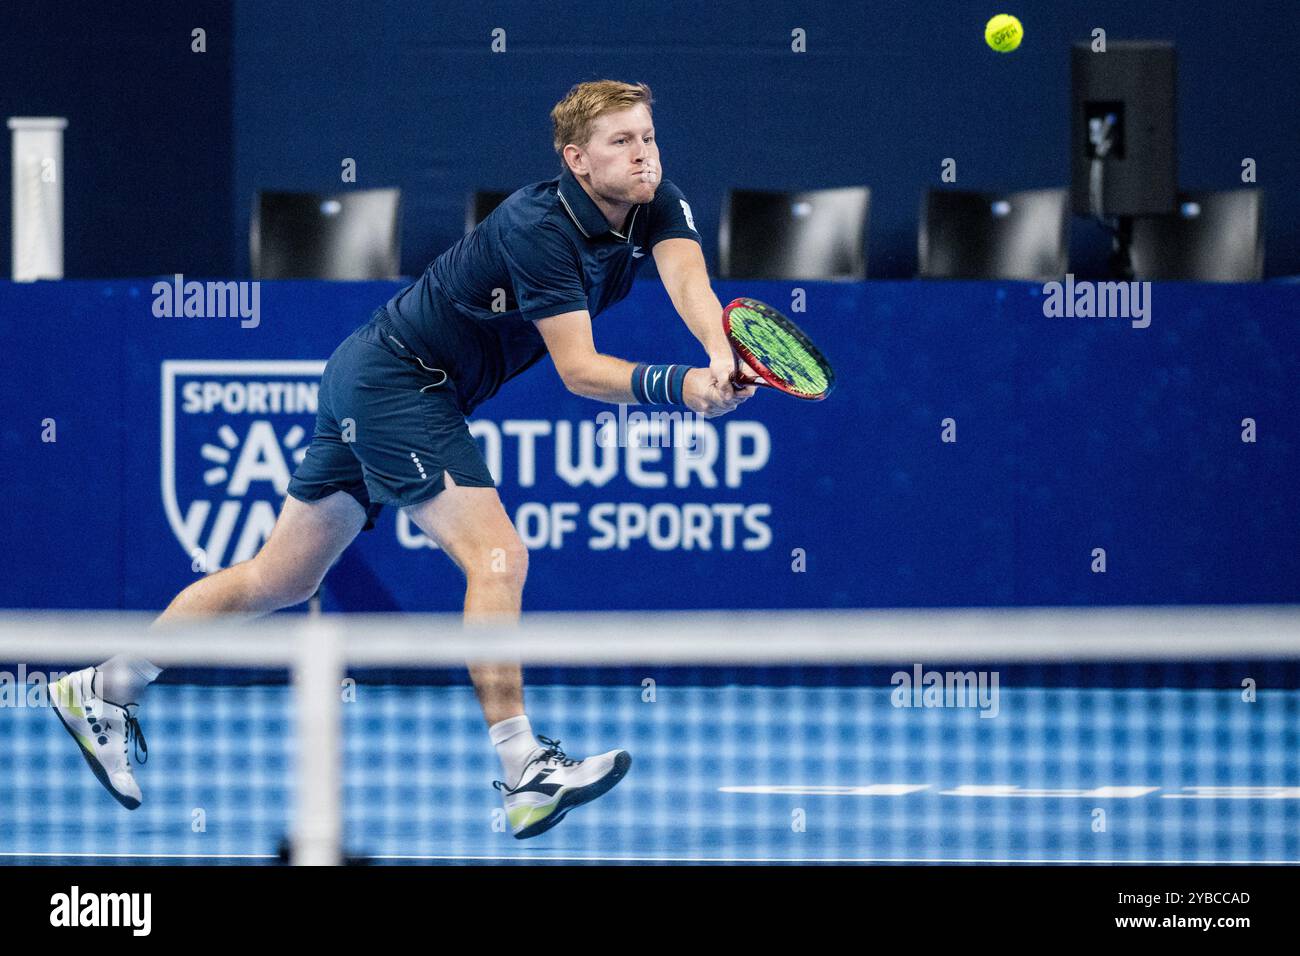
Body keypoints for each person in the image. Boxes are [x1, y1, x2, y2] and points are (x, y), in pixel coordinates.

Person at [50, 79, 754, 839]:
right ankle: (525, 770)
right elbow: (579, 370)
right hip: (399, 382)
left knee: (279, 578)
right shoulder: (537, 228)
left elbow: (690, 280)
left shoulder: (655, 197)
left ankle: (106, 684)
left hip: (383, 378)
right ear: (577, 159)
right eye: (623, 142)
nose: (644, 153)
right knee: (497, 558)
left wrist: (719, 353)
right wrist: (682, 387)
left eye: (648, 136)